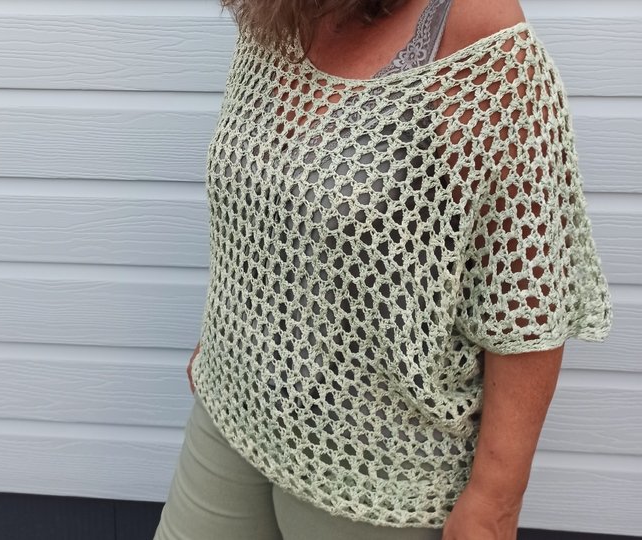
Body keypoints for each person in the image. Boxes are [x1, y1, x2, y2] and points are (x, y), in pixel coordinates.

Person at [153, 0, 613, 538]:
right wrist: (220, 338)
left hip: (377, 465)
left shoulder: (476, 29)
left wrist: (495, 502)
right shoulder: (278, 11)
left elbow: (526, 298)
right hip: (232, 403)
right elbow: (263, 204)